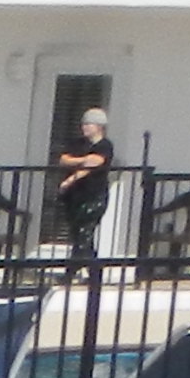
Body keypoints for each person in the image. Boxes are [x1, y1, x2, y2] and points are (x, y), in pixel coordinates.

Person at [50, 108, 117, 263]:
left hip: (94, 196)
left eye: (88, 124)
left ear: (99, 126)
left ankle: (73, 270)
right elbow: (64, 160)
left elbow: (95, 163)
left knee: (84, 232)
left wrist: (71, 177)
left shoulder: (105, 145)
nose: (84, 127)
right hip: (75, 196)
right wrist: (84, 160)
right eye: (83, 124)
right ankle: (93, 270)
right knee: (79, 235)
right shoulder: (78, 143)